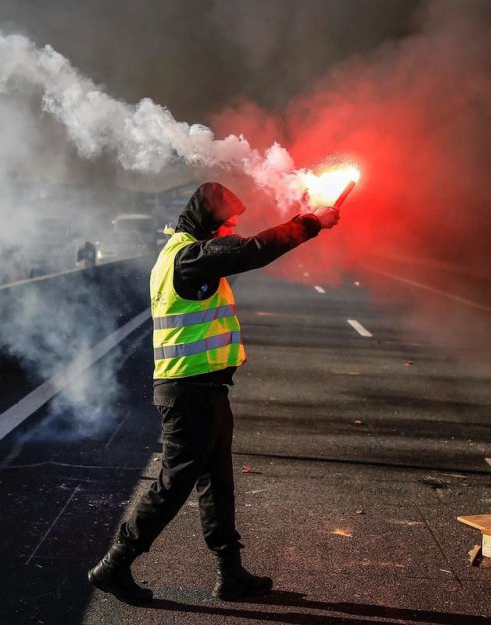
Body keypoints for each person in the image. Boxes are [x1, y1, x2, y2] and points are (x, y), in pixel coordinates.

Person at [88, 182, 341, 603]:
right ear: (209, 225)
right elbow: (251, 250)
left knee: (217, 483)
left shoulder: (186, 255)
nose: (230, 234)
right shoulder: (189, 257)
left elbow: (244, 249)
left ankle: (230, 573)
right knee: (173, 485)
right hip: (189, 391)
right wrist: (310, 222)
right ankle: (114, 565)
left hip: (205, 389)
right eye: (227, 226)